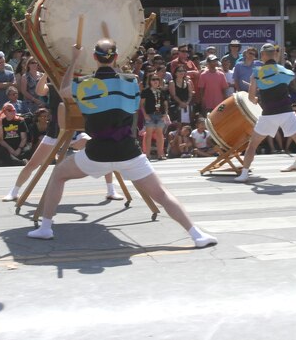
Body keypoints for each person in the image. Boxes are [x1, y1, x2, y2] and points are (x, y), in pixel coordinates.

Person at [26, 38, 217, 248]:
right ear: (116, 57)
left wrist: (74, 60)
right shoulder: (131, 83)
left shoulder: (86, 84)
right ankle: (197, 234)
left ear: (94, 58)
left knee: (59, 174)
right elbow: (124, 101)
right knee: (161, 194)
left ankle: (45, 228)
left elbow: (63, 90)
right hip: (128, 151)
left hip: (97, 152)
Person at [2, 73, 123, 202]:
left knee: (104, 154)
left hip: (76, 131)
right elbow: (39, 90)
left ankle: (111, 190)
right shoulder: (53, 86)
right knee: (33, 164)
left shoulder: (82, 86)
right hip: (55, 132)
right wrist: (46, 74)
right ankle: (14, 192)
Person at [235, 43, 296, 183]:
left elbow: (251, 98)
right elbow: (281, 81)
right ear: (275, 54)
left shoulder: (256, 72)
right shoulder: (285, 71)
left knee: (252, 145)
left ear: (262, 55)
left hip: (268, 113)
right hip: (286, 112)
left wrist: (256, 99)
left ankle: (244, 174)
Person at [140, 73, 170, 160]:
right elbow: (142, 104)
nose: (155, 81)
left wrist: (165, 114)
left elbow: (165, 104)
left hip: (160, 115)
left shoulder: (162, 91)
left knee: (159, 134)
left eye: (157, 79)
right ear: (150, 81)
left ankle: (160, 154)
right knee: (148, 134)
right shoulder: (146, 91)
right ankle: (147, 155)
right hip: (150, 115)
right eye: (153, 79)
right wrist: (145, 115)